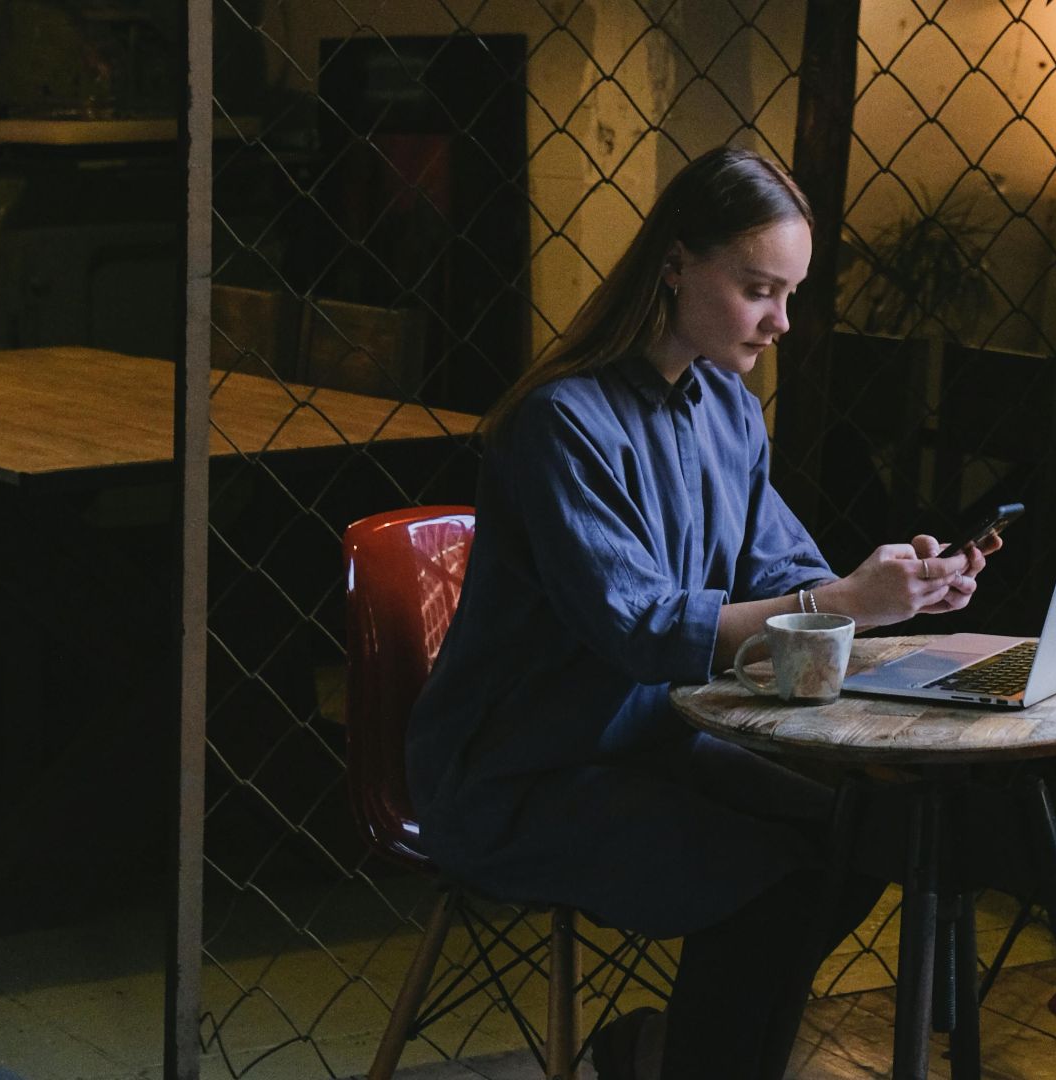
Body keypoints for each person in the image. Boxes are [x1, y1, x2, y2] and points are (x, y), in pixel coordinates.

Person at [405, 145, 999, 1079]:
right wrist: (839, 601)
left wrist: (895, 592)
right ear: (675, 263)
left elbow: (791, 574)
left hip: (654, 744)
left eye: (792, 294)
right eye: (762, 289)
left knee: (867, 836)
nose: (782, 323)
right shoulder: (560, 421)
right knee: (774, 888)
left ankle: (669, 1056)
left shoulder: (725, 408)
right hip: (525, 772)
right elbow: (640, 631)